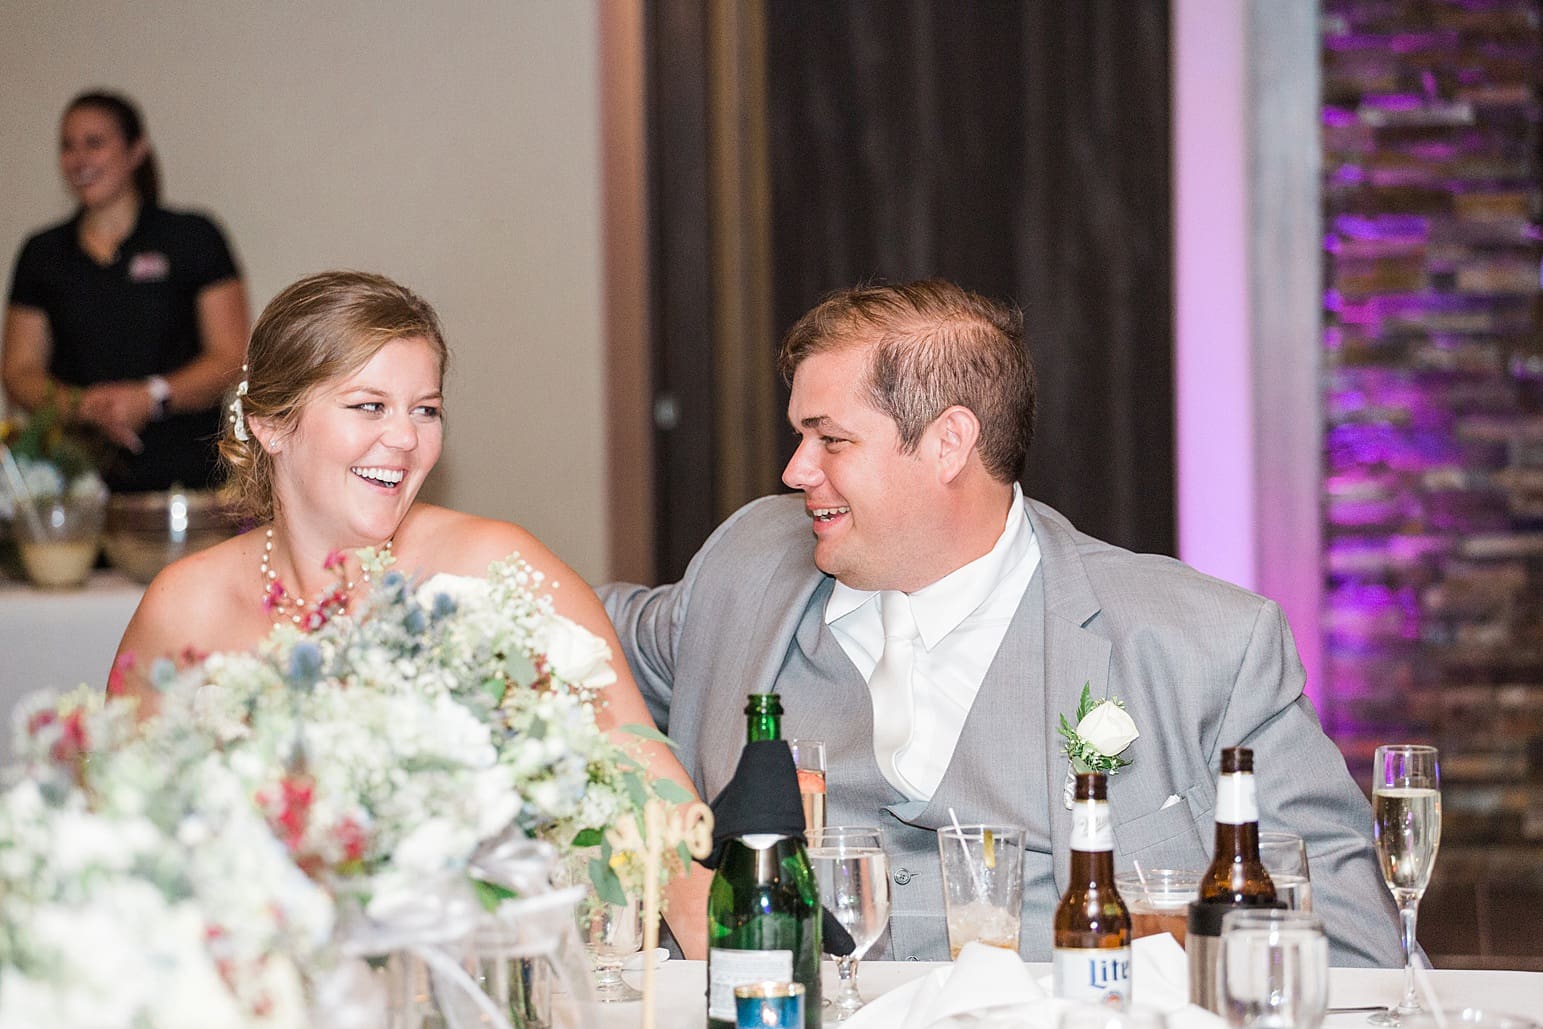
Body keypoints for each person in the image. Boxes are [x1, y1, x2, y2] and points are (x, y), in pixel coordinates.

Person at [601, 279, 1404, 966]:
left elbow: (1352, 941)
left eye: (830, 439)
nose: (794, 470)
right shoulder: (748, 567)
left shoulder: (1207, 643)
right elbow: (563, 638)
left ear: (949, 442)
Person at [114, 270, 710, 953]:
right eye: (369, 406)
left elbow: (663, 819)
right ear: (272, 424)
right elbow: (119, 846)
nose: (405, 438)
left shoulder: (497, 572)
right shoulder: (184, 607)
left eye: (425, 409)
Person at [3, 90, 248, 492]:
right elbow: (19, 370)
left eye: (95, 143)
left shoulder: (192, 237)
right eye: (68, 146)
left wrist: (151, 397)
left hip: (186, 478)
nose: (79, 159)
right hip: (74, 482)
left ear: (136, 151)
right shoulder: (42, 253)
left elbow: (230, 353)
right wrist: (82, 406)